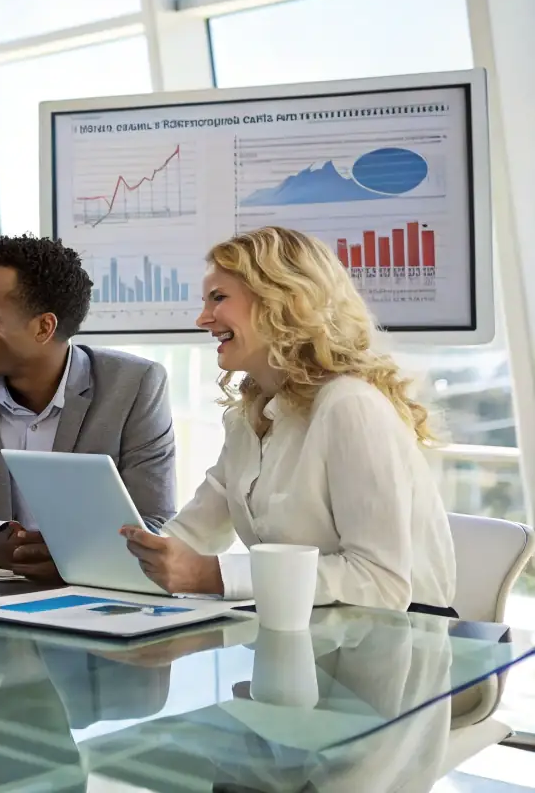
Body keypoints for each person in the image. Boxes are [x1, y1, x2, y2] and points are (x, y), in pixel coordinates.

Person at [121, 226, 456, 613]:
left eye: (218, 298)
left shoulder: (350, 406)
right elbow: (192, 537)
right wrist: (131, 556)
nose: (202, 318)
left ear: (281, 302)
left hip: (394, 643)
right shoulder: (248, 418)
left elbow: (381, 582)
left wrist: (211, 576)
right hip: (303, 636)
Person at [0, 235, 176, 580]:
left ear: (43, 327)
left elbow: (157, 522)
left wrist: (76, 553)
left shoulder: (134, 386)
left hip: (93, 599)